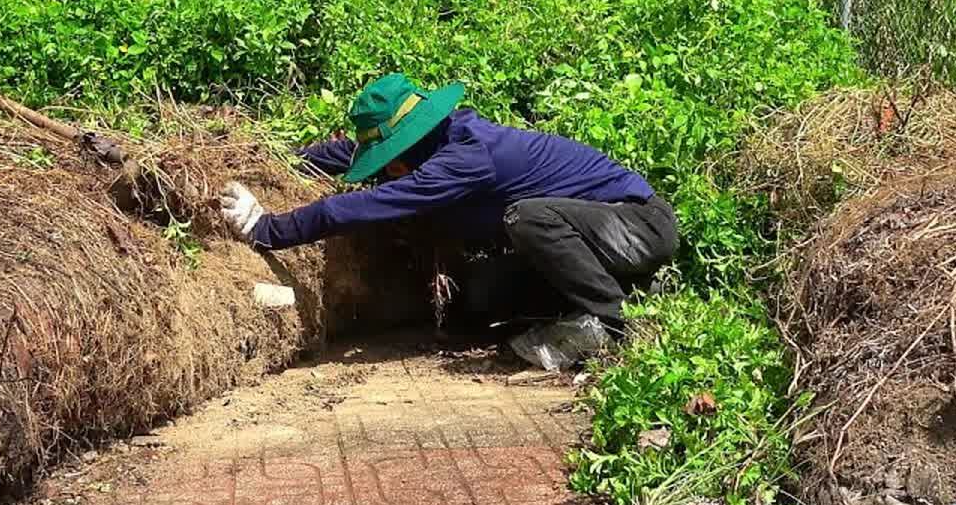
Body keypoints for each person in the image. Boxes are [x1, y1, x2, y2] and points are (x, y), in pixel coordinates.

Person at [219, 73, 678, 368]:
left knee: (529, 217)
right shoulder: (438, 142)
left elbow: (368, 205)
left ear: (411, 141)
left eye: (391, 157)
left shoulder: (466, 158)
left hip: (639, 226)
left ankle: (609, 321)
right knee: (479, 297)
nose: (388, 167)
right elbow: (350, 156)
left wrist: (270, 230)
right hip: (603, 240)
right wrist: (275, 160)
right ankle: (635, 287)